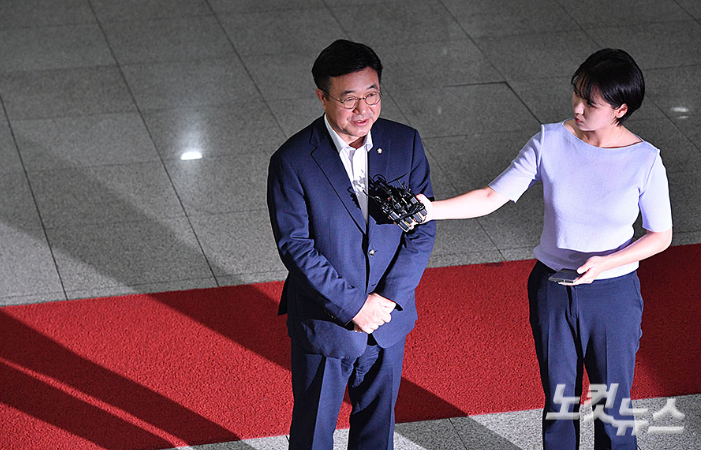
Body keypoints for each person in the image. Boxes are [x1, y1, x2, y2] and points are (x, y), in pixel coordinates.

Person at [416, 48, 672, 449]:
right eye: (577, 94)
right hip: (552, 288)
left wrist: (608, 262)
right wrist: (431, 210)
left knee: (612, 405)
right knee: (559, 400)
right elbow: (492, 196)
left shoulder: (645, 161)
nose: (578, 107)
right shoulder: (550, 141)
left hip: (612, 295)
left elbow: (661, 235)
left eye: (591, 103)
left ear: (620, 109)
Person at [267, 39, 436, 449]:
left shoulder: (405, 142)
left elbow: (422, 227)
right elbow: (296, 247)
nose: (363, 110)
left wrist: (387, 300)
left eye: (371, 95)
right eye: (349, 99)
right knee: (313, 432)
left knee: (377, 430)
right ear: (322, 97)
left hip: (388, 320)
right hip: (326, 323)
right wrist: (355, 306)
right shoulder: (292, 160)